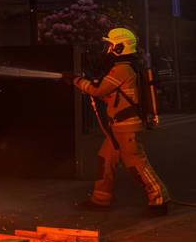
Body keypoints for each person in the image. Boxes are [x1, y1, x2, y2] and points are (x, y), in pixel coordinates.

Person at [66, 28, 171, 213]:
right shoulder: (123, 69)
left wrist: (76, 81)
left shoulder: (122, 69)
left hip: (126, 127)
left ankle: (160, 201)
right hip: (118, 126)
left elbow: (99, 91)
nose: (107, 49)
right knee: (105, 160)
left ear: (119, 48)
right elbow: (111, 94)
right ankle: (101, 199)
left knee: (136, 165)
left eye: (110, 46)